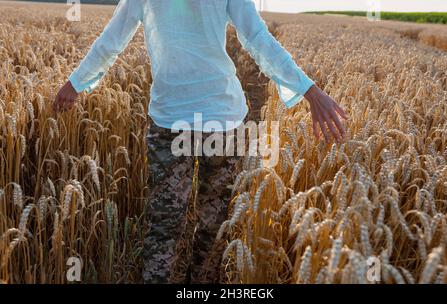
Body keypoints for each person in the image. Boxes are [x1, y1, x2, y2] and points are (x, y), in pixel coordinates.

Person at [54, 0, 347, 283]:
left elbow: (111, 41)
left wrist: (76, 83)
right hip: (221, 119)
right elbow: (257, 38)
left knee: (166, 226)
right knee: (212, 225)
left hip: (176, 120)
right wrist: (309, 91)